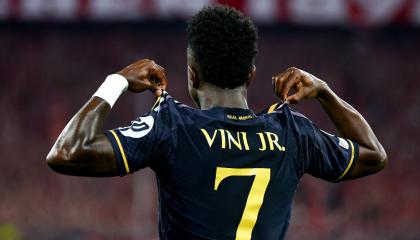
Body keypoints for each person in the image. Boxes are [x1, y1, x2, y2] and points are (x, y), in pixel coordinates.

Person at [46, 6, 387, 240]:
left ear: (192, 75)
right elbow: (373, 154)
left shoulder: (173, 126)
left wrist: (116, 81)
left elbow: (67, 152)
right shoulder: (292, 132)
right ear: (251, 75)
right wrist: (325, 92)